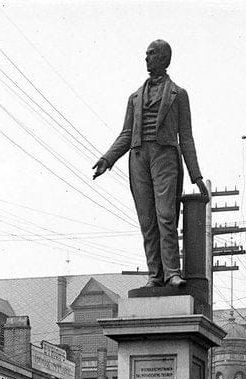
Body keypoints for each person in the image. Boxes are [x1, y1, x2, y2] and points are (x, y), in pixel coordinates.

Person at [92, 39, 209, 288]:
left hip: (165, 156)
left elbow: (186, 137)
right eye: (146, 54)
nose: (146, 58)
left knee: (166, 215)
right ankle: (154, 275)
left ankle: (172, 273)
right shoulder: (135, 98)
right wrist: (107, 158)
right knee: (147, 220)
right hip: (138, 157)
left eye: (152, 54)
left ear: (165, 58)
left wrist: (196, 175)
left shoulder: (179, 95)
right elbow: (126, 133)